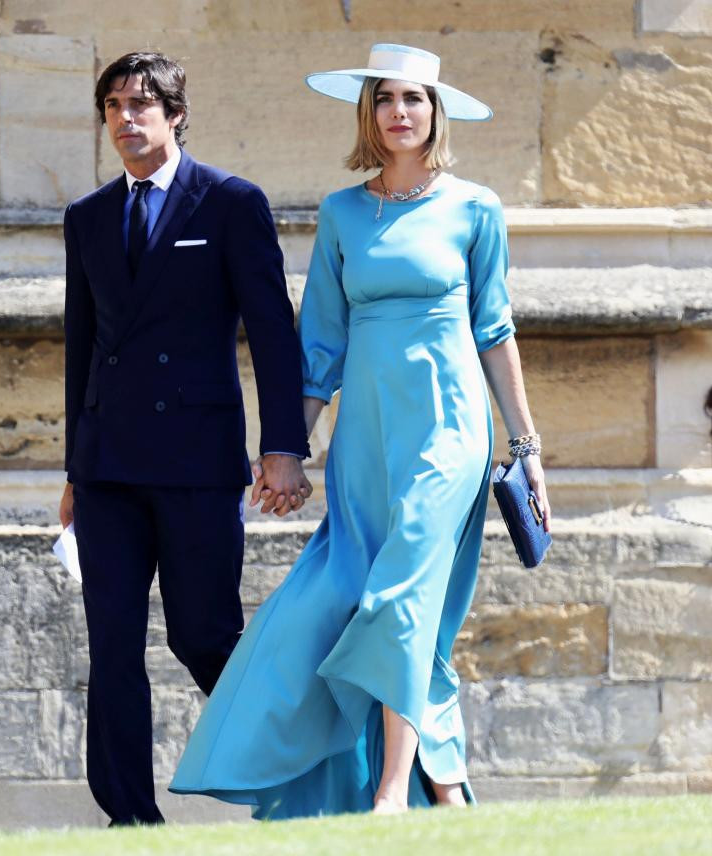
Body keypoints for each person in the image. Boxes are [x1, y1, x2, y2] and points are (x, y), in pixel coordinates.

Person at [170, 43, 550, 817]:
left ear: (435, 112)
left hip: (449, 428)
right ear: (368, 113)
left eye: (413, 99)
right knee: (349, 597)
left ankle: (389, 796)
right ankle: (441, 780)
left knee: (402, 597)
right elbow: (321, 345)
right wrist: (285, 450)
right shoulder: (343, 213)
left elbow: (495, 331)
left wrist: (527, 446)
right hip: (365, 438)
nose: (398, 112)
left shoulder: (476, 207)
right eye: (384, 99)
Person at [59, 51, 313, 826]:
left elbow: (273, 333)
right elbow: (81, 347)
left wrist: (283, 447)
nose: (126, 119)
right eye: (113, 107)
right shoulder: (87, 218)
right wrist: (73, 468)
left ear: (174, 115)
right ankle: (128, 818)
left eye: (141, 104)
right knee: (113, 645)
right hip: (107, 467)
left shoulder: (230, 203)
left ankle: (291, 771)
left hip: (197, 461)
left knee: (203, 632)